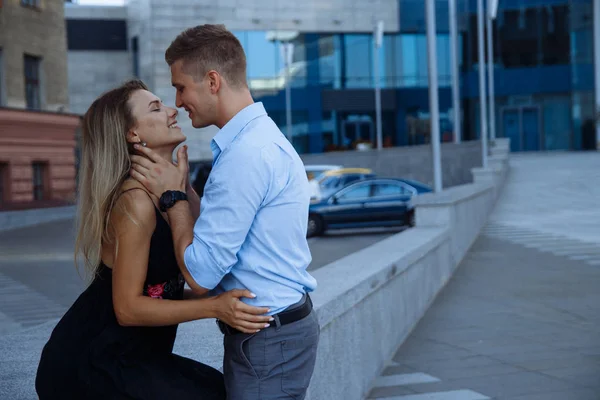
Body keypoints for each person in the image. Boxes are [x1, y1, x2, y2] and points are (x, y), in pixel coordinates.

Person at [35, 80, 273, 400]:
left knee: (222, 389)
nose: (173, 110)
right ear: (133, 134)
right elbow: (128, 309)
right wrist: (214, 307)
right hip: (91, 362)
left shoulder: (166, 196)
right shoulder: (135, 200)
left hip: (136, 355)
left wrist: (183, 190)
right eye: (156, 107)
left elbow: (168, 286)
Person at [130, 25, 320, 399]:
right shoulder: (258, 140)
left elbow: (200, 274)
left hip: (269, 339)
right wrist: (183, 186)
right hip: (276, 332)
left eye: (181, 87)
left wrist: (173, 198)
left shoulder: (245, 155)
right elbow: (230, 227)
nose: (178, 101)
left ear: (213, 81)